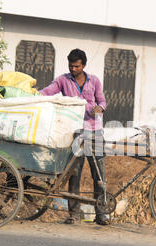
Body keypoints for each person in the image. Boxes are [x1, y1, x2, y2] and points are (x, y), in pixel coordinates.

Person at [40, 48, 110, 225]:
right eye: (71, 66)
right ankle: (74, 214)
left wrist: (99, 108)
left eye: (76, 66)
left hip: (95, 132)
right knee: (73, 174)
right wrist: (34, 95)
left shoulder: (94, 81)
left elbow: (102, 101)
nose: (73, 69)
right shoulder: (63, 80)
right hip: (74, 133)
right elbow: (48, 91)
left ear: (83, 65)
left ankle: (101, 214)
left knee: (99, 176)